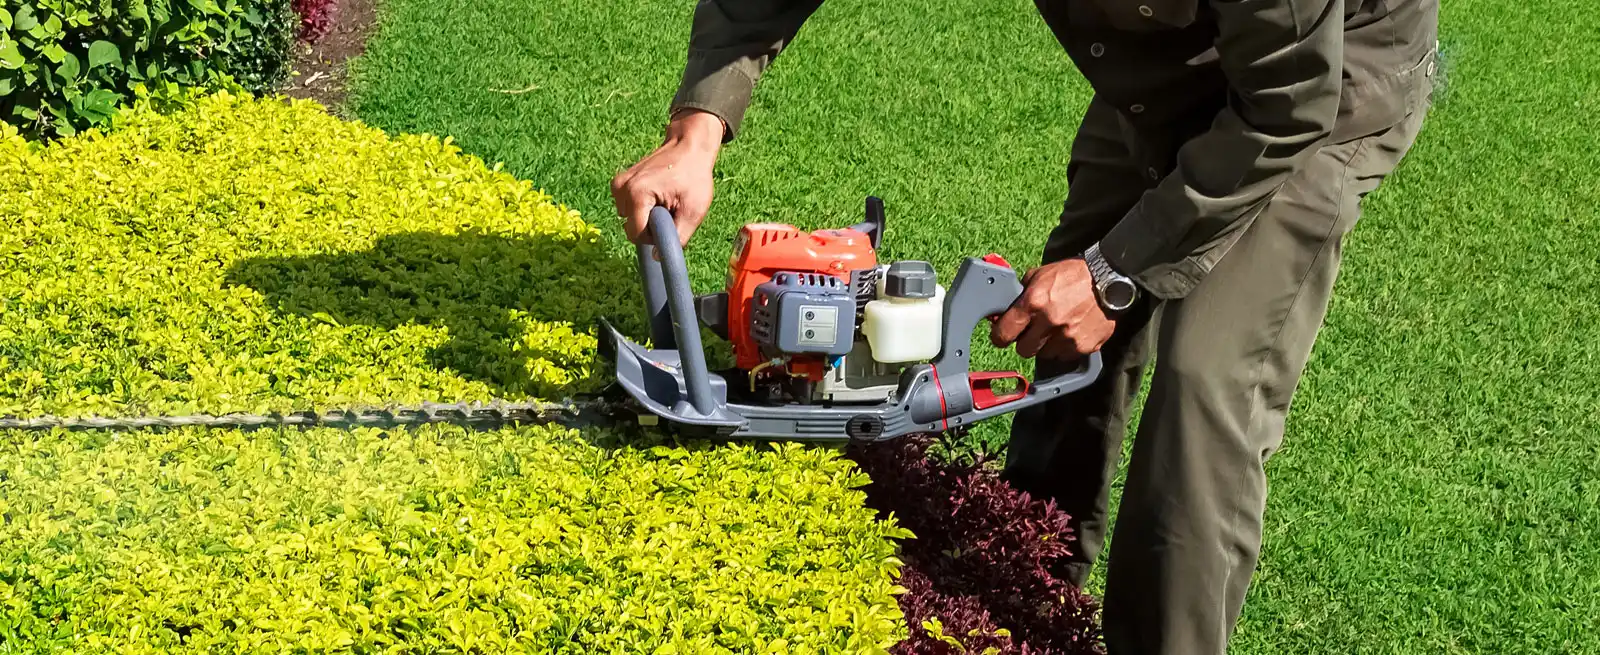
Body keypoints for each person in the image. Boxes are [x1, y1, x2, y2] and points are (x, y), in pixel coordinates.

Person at [610, 0, 1438, 652]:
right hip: (1167, 69)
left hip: (1317, 89)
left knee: (1206, 382)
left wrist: (1110, 273)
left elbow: (1289, 105)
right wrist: (696, 132)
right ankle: (1028, 601)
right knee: (1059, 339)